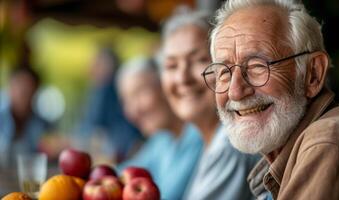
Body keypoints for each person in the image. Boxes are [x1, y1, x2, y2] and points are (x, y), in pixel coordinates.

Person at [204, 0, 339, 199]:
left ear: (313, 74)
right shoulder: (289, 153)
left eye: (257, 66)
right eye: (224, 72)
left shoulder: (327, 142)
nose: (235, 92)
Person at [160, 10, 259, 200]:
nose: (182, 78)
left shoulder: (232, 144)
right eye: (171, 66)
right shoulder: (205, 141)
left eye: (199, 60)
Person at [116, 56, 203, 200]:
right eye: (126, 100)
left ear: (165, 86)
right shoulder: (161, 140)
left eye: (139, 93)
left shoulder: (200, 136)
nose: (133, 110)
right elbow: (121, 174)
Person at [76, 47, 142, 163]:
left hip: (119, 149)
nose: (91, 69)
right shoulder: (105, 88)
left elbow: (93, 123)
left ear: (107, 67)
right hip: (124, 148)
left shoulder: (105, 89)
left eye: (96, 64)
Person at [0, 67, 53, 195]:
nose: (21, 92)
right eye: (17, 86)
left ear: (36, 90)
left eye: (27, 88)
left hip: (32, 193)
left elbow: (50, 166)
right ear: (9, 87)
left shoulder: (46, 126)